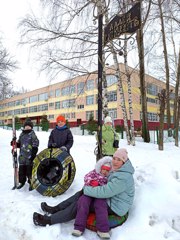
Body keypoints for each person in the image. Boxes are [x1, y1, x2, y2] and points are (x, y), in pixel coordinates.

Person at [33, 148, 135, 239]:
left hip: (114, 207)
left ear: (124, 161)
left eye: (119, 160)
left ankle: (49, 220)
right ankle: (56, 209)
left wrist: (87, 189)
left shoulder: (123, 177)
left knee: (80, 202)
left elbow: (106, 191)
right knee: (81, 193)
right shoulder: (120, 171)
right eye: (114, 158)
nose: (115, 162)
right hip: (112, 200)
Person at [72, 157, 112, 238]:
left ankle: (103, 230)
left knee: (101, 205)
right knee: (83, 202)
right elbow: (86, 177)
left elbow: (109, 187)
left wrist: (102, 185)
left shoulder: (108, 178)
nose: (105, 172)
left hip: (100, 195)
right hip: (89, 192)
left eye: (108, 171)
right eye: (104, 169)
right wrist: (91, 181)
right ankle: (79, 227)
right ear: (100, 168)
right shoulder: (94, 173)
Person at [12, 118, 39, 190]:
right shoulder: (22, 134)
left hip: (29, 156)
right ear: (24, 127)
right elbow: (19, 144)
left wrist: (34, 153)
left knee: (29, 170)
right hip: (22, 157)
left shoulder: (32, 134)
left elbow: (36, 143)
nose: (27, 127)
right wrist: (14, 143)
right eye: (26, 126)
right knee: (21, 170)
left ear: (31, 127)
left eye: (29, 126)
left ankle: (31, 182)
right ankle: (22, 181)